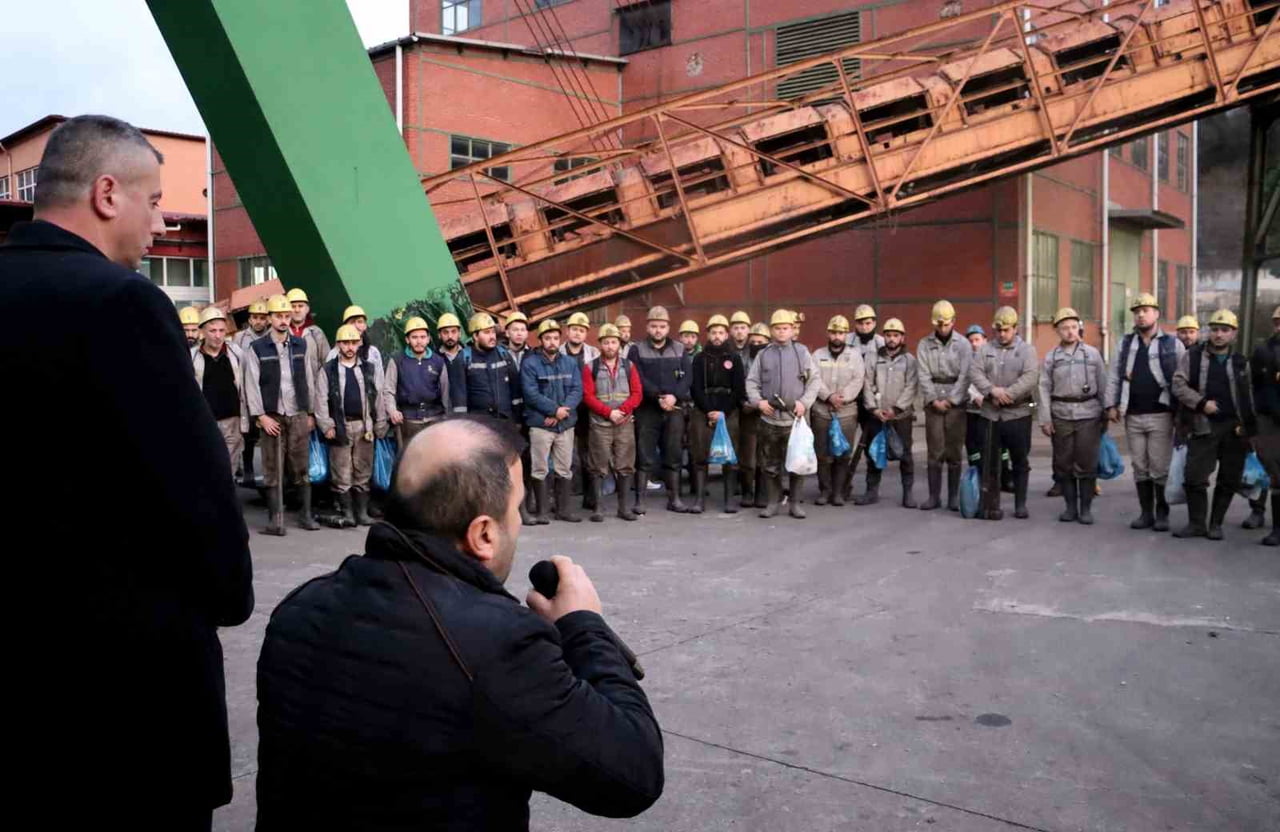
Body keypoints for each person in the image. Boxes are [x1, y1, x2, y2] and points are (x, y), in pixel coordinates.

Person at [0, 113, 252, 826]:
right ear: (107, 193)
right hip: (121, 695)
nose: (162, 218)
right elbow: (194, 491)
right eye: (153, 200)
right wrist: (229, 592)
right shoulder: (123, 304)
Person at [255, 417, 664, 829]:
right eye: (517, 508)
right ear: (483, 534)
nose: (518, 523)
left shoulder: (300, 608)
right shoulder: (498, 643)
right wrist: (583, 627)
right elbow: (634, 772)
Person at [1172, 310, 1257, 539]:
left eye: (1225, 330)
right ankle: (1196, 523)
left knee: (1229, 478)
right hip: (1203, 424)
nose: (1219, 334)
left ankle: (1216, 524)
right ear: (1209, 331)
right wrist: (1201, 404)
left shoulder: (1241, 362)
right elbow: (1178, 385)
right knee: (1194, 477)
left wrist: (1249, 429)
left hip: (1234, 429)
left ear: (1233, 334)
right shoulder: (1193, 356)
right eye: (1215, 329)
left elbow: (1249, 395)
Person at [1105, 292, 1185, 532]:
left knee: (1159, 466)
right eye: (1137, 311)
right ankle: (1146, 513)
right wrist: (1111, 405)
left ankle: (1162, 513)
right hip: (1133, 414)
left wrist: (1183, 413)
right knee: (1140, 466)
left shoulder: (1172, 344)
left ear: (1156, 314)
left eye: (1145, 311)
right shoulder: (1126, 343)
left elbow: (1183, 378)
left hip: (1161, 414)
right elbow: (1113, 375)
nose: (1140, 315)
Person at [245, 292, 320, 535]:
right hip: (272, 416)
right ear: (269, 318)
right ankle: (275, 520)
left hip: (297, 413)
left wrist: (310, 412)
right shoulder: (257, 347)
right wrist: (261, 416)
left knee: (301, 466)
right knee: (272, 467)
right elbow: (251, 384)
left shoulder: (301, 344)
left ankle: (305, 515)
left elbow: (309, 378)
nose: (284, 320)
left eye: (287, 315)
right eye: (279, 316)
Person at [746, 309, 820, 518]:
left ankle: (795, 503)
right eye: (777, 328)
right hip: (769, 419)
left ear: (792, 330)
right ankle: (773, 502)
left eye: (785, 328)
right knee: (770, 464)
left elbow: (814, 381)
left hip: (794, 420)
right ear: (771, 330)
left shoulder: (802, 353)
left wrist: (804, 403)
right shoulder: (763, 354)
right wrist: (758, 402)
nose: (781, 332)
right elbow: (752, 382)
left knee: (797, 463)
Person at [969, 306, 1039, 519]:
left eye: (1006, 330)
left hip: (1017, 414)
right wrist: (992, 391)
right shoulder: (985, 350)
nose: (1001, 334)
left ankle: (1020, 504)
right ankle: (991, 505)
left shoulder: (1027, 350)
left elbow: (1030, 377)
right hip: (991, 415)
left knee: (1020, 460)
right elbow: (975, 372)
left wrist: (1009, 393)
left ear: (1015, 328)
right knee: (990, 462)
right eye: (998, 330)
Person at [315, 323, 388, 527]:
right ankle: (347, 512)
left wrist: (380, 422)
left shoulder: (368, 368)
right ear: (338, 344)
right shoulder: (328, 370)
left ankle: (362, 513)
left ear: (360, 343)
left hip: (365, 427)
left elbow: (378, 397)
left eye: (353, 342)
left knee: (363, 469)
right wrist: (326, 425)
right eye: (345, 342)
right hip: (340, 426)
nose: (349, 347)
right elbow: (320, 399)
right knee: (341, 470)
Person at [1039, 308, 1106, 525]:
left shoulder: (1093, 354)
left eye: (1073, 327)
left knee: (1087, 463)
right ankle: (1070, 508)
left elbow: (1103, 384)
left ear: (1079, 328)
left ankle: (1085, 509)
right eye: (1065, 328)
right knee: (1064, 463)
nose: (1070, 332)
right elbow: (1043, 388)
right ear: (1057, 330)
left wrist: (1107, 410)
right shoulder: (1051, 357)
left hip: (1089, 414)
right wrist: (1045, 419)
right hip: (1061, 415)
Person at [522, 319, 584, 523]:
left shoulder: (570, 363)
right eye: (547, 338)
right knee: (540, 468)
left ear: (560, 339)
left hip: (565, 425)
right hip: (541, 425)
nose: (551, 342)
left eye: (555, 338)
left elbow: (577, 390)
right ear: (540, 340)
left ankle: (563, 510)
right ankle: (542, 512)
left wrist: (562, 412)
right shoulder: (530, 363)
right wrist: (554, 410)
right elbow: (531, 394)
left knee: (564, 468)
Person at [632, 306, 693, 513]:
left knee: (673, 453)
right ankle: (640, 501)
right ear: (647, 327)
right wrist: (658, 396)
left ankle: (674, 499)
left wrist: (674, 395)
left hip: (674, 407)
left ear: (668, 327)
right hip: (647, 409)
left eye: (662, 326)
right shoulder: (636, 349)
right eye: (654, 326)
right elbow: (637, 377)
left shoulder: (679, 348)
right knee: (644, 454)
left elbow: (687, 377)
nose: (658, 330)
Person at [582, 323, 643, 521]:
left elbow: (637, 393)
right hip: (600, 423)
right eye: (606, 342)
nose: (610, 346)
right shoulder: (590, 366)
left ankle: (623, 508)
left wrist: (622, 411)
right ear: (600, 344)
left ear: (619, 344)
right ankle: (598, 508)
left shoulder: (629, 366)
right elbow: (588, 396)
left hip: (624, 422)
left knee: (625, 465)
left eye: (614, 342)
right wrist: (609, 413)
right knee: (598, 465)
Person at [916, 300, 972, 511]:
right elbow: (922, 374)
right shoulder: (924, 344)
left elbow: (966, 375)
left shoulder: (963, 345)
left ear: (953, 322)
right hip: (933, 402)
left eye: (946, 324)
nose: (942, 328)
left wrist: (952, 400)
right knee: (935, 451)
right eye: (938, 324)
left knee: (955, 452)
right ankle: (933, 496)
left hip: (956, 403)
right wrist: (933, 399)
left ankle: (953, 497)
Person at [689, 314, 747, 514]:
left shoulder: (734, 358)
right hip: (702, 409)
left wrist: (723, 412)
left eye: (721, 332)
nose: (717, 336)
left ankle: (729, 500)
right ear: (707, 334)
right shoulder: (699, 359)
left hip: (727, 411)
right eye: (713, 332)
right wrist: (708, 411)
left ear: (727, 334)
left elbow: (739, 389)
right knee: (699, 454)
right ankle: (699, 499)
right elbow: (694, 387)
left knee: (730, 455)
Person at [858, 318, 919, 508]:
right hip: (877, 415)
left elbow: (911, 386)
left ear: (902, 337)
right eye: (888, 335)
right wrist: (873, 409)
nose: (891, 339)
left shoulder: (910, 360)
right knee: (874, 452)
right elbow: (866, 383)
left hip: (901, 416)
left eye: (896, 335)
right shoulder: (873, 358)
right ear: (883, 336)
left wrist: (897, 409)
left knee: (905, 455)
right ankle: (871, 491)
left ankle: (907, 493)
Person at [810, 314, 864, 507]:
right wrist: (828, 396)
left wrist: (843, 397)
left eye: (841, 333)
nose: (837, 337)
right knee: (822, 453)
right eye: (833, 332)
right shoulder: (817, 355)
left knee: (843, 453)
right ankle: (825, 490)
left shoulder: (855, 356)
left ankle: (838, 492)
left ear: (846, 335)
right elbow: (813, 379)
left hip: (846, 412)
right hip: (822, 411)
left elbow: (858, 380)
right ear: (828, 333)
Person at [384, 316, 462, 449]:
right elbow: (388, 390)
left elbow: (445, 392)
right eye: (414, 337)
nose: (419, 341)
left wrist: (447, 418)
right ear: (407, 339)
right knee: (409, 460)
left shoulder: (438, 361)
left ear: (428, 339)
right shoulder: (397, 361)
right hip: (408, 421)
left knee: (435, 458)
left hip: (434, 419)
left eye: (422, 337)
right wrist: (392, 411)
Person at [192, 305, 249, 475]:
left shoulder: (236, 353)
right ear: (202, 331)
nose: (218, 336)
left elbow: (246, 384)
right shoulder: (192, 357)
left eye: (221, 331)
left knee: (228, 469)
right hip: (206, 421)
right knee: (207, 465)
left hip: (232, 421)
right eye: (212, 331)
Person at [561, 311, 601, 509]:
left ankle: (590, 496)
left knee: (588, 453)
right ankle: (563, 500)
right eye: (574, 329)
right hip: (564, 409)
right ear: (567, 331)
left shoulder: (594, 354)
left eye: (581, 330)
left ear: (586, 334)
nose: (577, 333)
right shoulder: (558, 352)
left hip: (587, 410)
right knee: (563, 454)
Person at [1251, 305, 1280, 546]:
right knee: (1275, 473)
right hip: (1269, 419)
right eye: (1279, 322)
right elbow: (1254, 387)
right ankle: (1277, 529)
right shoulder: (1263, 351)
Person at [462, 312, 524, 422]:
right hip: (479, 423)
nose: (492, 337)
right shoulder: (464, 358)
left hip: (506, 420)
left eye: (493, 332)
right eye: (486, 333)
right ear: (475, 336)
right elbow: (459, 395)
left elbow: (515, 390)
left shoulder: (504, 354)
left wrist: (518, 420)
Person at [286, 287, 330, 379]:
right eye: (293, 306)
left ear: (307, 309)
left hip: (313, 388)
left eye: (300, 306)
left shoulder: (317, 333)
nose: (297, 310)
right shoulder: (281, 332)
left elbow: (327, 364)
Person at [325, 303, 383, 368]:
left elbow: (379, 377)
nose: (356, 326)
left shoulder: (373, 353)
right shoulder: (334, 354)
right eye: (352, 322)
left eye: (360, 322)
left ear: (365, 326)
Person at [437, 311, 467, 394]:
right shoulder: (434, 360)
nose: (450, 336)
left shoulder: (469, 355)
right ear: (439, 335)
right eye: (445, 332)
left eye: (453, 331)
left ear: (459, 333)